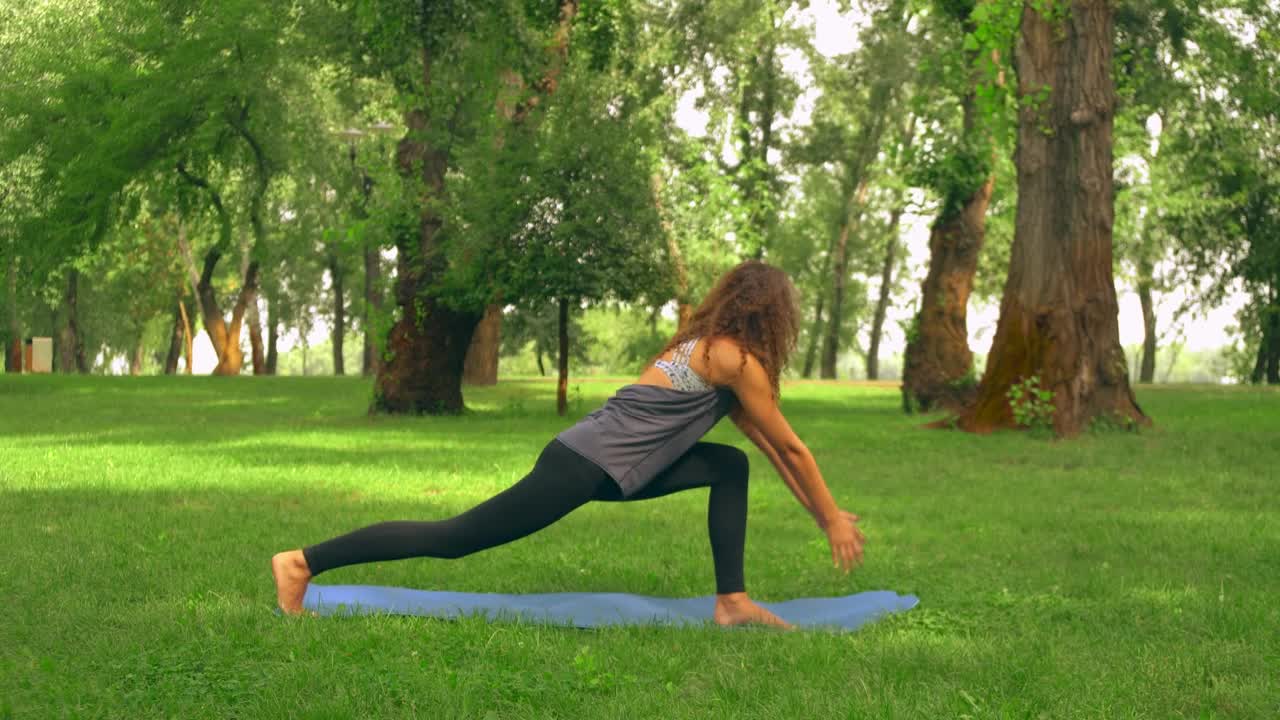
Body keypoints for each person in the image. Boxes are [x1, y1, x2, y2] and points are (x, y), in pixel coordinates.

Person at [272, 260, 865, 627]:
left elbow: (766, 445)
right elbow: (792, 450)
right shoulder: (734, 359)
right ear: (772, 316)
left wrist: (825, 514)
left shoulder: (708, 349)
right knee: (455, 539)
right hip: (586, 464)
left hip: (617, 465)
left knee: (729, 466)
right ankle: (303, 562)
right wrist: (832, 519)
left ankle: (732, 602)